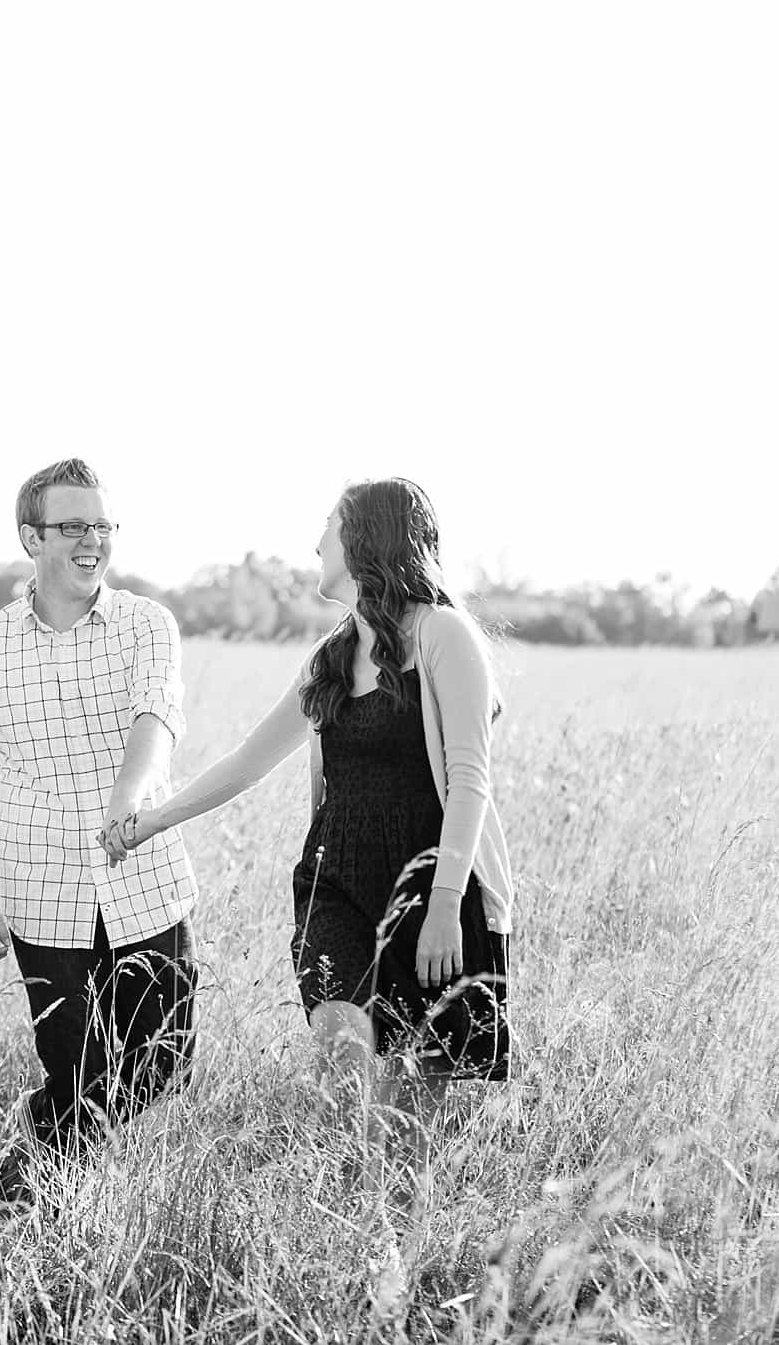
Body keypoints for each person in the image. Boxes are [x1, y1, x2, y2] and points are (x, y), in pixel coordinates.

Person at [100, 477, 515, 1152]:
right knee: (339, 1049)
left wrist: (444, 905)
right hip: (337, 881)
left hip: (432, 881)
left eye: (329, 526)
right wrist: (152, 820)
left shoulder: (444, 633)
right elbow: (247, 760)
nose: (316, 541)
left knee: (414, 1114)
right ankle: (345, 1185)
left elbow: (470, 780)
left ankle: (386, 1233)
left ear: (364, 539)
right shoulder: (331, 654)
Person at [0, 457, 199, 1161]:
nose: (93, 539)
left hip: (145, 883)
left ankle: (116, 1182)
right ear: (32, 536)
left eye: (103, 525)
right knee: (74, 1073)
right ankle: (52, 1199)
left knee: (164, 1063)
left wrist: (127, 794)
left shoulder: (147, 622)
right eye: (74, 525)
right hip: (43, 894)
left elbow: (157, 713)